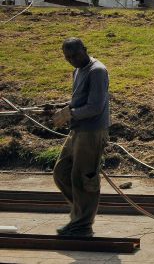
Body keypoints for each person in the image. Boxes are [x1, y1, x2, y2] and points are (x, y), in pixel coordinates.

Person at [51, 38, 110, 237]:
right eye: (67, 57)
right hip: (78, 130)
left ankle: (82, 225)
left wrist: (70, 114)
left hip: (92, 132)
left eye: (75, 55)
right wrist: (61, 109)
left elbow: (95, 107)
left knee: (84, 178)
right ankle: (80, 216)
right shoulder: (77, 70)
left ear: (85, 50)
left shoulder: (97, 71)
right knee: (62, 172)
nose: (72, 60)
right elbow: (79, 100)